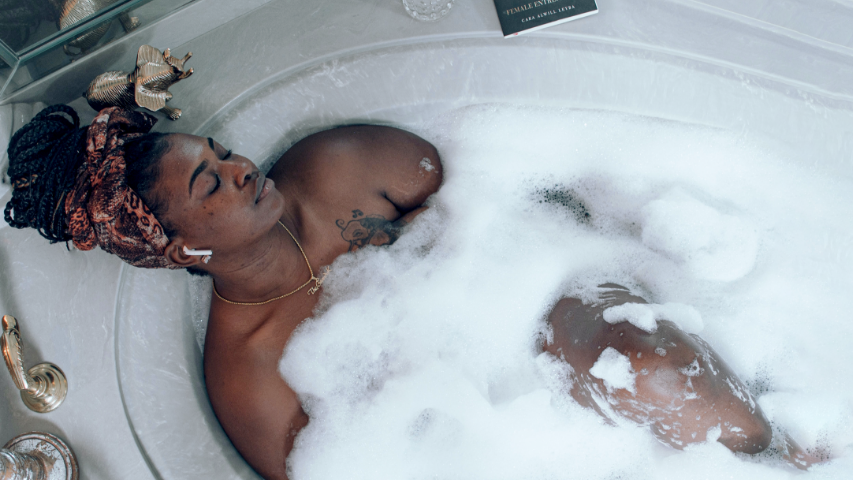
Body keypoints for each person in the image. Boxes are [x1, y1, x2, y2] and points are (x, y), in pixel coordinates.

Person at [3, 105, 817, 479]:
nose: (243, 164)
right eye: (212, 180)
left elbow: (514, 197)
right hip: (489, 425)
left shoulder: (340, 166)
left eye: (220, 149)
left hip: (543, 300)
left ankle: (790, 447)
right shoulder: (249, 372)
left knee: (643, 361)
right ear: (181, 246)